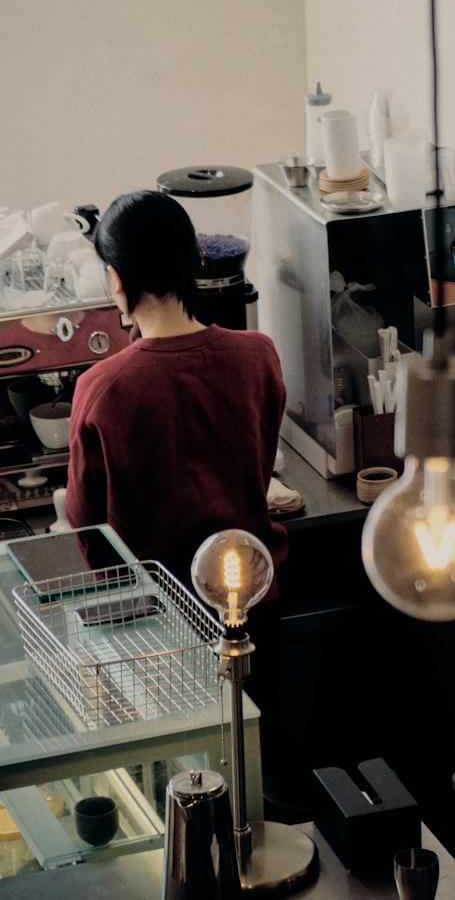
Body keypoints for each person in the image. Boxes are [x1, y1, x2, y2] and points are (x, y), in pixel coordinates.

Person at [66, 188, 288, 769]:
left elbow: (89, 535)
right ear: (196, 263)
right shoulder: (258, 355)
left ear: (117, 281)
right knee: (254, 770)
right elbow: (255, 466)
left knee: (184, 788)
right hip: (253, 605)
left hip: (155, 635)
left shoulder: (102, 387)